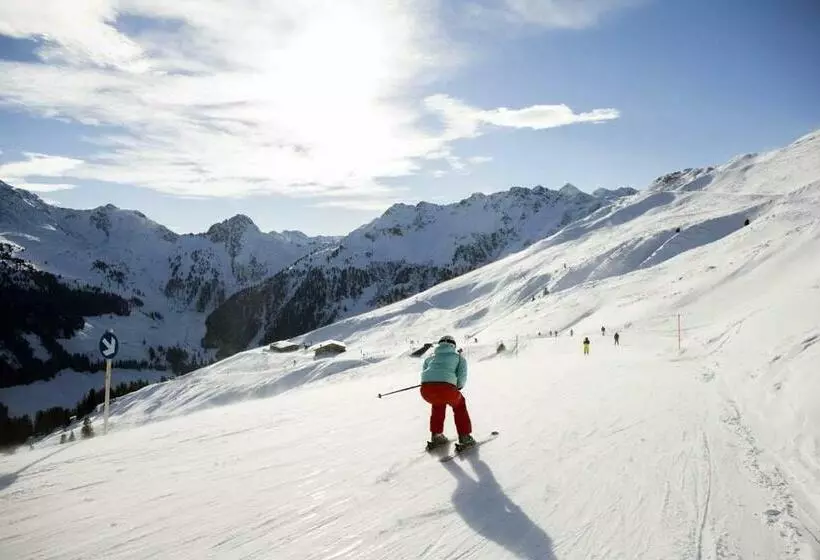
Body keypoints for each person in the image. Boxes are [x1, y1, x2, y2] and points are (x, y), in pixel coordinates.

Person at [420, 335, 475, 449]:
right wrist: (457, 387)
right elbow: (461, 378)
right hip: (447, 389)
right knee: (459, 405)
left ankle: (436, 436)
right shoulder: (459, 358)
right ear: (453, 345)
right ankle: (465, 437)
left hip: (426, 389)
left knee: (438, 404)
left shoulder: (430, 358)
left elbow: (425, 372)